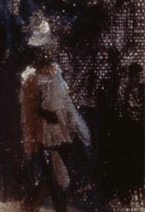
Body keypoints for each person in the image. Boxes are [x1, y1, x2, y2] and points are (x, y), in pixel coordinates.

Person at [21, 38, 88, 212]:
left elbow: (65, 101)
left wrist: (76, 126)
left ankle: (30, 204)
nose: (47, 54)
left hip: (62, 132)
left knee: (58, 176)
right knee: (55, 178)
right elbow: (30, 108)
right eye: (43, 51)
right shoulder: (32, 77)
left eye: (49, 51)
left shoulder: (56, 71)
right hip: (45, 134)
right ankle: (42, 205)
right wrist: (45, 118)